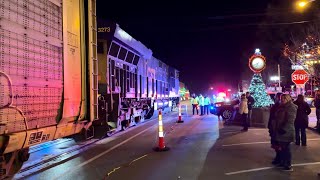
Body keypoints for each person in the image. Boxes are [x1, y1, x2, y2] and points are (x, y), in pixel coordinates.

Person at [270, 94, 297, 171]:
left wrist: (283, 128)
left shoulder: (291, 107)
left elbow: (290, 120)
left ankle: (288, 165)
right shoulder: (282, 106)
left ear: (287, 99)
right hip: (279, 130)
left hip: (286, 131)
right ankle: (282, 162)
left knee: (286, 148)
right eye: (281, 99)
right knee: (281, 148)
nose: (282, 100)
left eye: (283, 99)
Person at [268, 93, 282, 166]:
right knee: (275, 143)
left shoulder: (280, 106)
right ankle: (278, 157)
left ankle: (279, 158)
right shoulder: (275, 106)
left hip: (277, 127)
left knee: (278, 143)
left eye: (276, 97)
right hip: (274, 126)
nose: (275, 98)